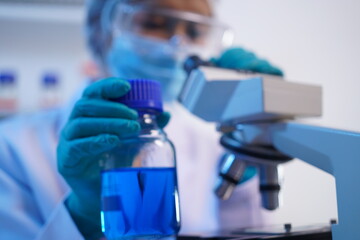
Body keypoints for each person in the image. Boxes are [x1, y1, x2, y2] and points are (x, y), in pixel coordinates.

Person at [0, 0, 283, 239]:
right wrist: (84, 214)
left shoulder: (209, 143)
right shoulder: (12, 147)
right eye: (155, 24)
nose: (178, 43)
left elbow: (243, 230)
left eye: (195, 31)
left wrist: (252, 145)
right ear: (102, 33)